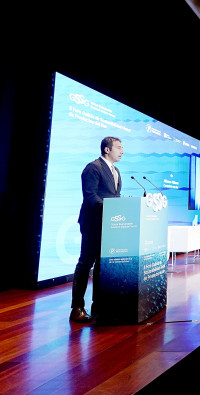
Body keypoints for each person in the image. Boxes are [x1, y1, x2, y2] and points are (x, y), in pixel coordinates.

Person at [70, 137, 124, 323]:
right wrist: (111, 209)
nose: (122, 151)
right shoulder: (93, 167)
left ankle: (98, 307)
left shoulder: (116, 170)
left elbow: (115, 196)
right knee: (86, 263)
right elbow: (90, 196)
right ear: (107, 149)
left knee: (102, 266)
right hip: (93, 222)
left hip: (109, 224)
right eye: (118, 148)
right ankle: (76, 307)